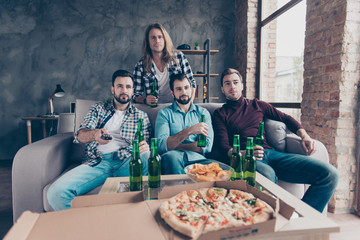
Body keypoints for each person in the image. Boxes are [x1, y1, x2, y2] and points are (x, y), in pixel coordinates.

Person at [212, 68, 339, 213]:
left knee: (330, 175)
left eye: (235, 82)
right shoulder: (220, 114)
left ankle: (303, 218)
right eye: (227, 83)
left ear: (242, 85)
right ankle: (270, 221)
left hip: (273, 154)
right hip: (249, 160)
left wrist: (305, 136)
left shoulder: (257, 105)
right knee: (267, 175)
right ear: (222, 89)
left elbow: (286, 118)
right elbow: (223, 146)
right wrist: (244, 152)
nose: (232, 86)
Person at [47, 69, 151, 210]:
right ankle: (87, 228)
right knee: (55, 193)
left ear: (133, 91)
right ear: (112, 89)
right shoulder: (98, 109)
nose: (124, 90)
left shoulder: (141, 116)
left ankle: (142, 210)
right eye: (119, 86)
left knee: (146, 156)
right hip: (98, 162)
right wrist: (95, 134)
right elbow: (80, 135)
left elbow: (143, 144)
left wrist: (144, 148)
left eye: (128, 87)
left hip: (127, 162)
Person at [155, 73, 215, 174]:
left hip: (198, 159)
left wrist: (174, 144)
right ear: (172, 92)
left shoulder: (203, 113)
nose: (184, 92)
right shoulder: (164, 114)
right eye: (178, 89)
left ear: (191, 89)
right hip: (172, 158)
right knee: (172, 158)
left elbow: (207, 146)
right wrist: (190, 131)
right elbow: (161, 145)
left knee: (224, 171)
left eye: (186, 87)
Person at [133, 23, 196, 106]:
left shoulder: (179, 57)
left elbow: (192, 83)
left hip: (177, 107)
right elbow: (135, 95)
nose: (157, 41)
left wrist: (189, 106)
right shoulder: (141, 65)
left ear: (165, 39)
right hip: (155, 109)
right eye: (153, 38)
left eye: (160, 37)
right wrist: (145, 100)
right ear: (148, 42)